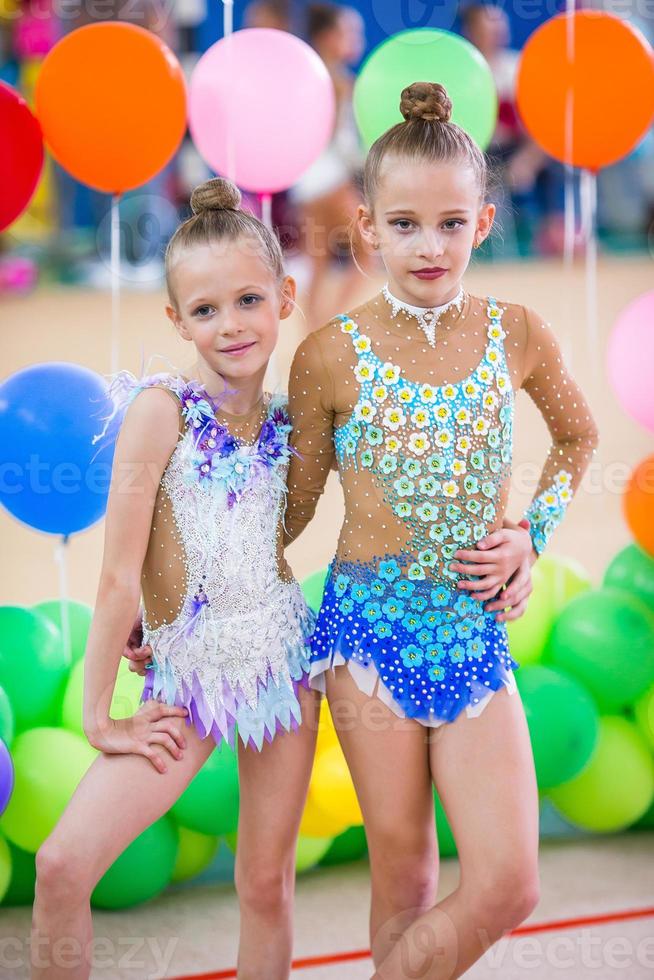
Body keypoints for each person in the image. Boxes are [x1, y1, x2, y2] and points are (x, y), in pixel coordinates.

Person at [282, 81, 600, 977]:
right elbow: (295, 507)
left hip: (469, 624)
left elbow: (578, 435)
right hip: (367, 633)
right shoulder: (328, 354)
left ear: (485, 222)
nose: (431, 245)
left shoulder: (517, 331)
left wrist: (532, 535)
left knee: (507, 884)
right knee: (407, 873)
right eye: (407, 224)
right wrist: (192, 579)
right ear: (368, 231)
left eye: (452, 223)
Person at [31, 177, 321, 980]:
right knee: (61, 867)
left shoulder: (291, 417)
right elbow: (118, 574)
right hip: (188, 682)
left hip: (283, 668)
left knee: (266, 884)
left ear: (285, 296)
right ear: (175, 319)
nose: (229, 325)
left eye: (248, 300)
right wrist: (100, 717)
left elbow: (266, 541)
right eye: (204, 310)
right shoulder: (161, 410)